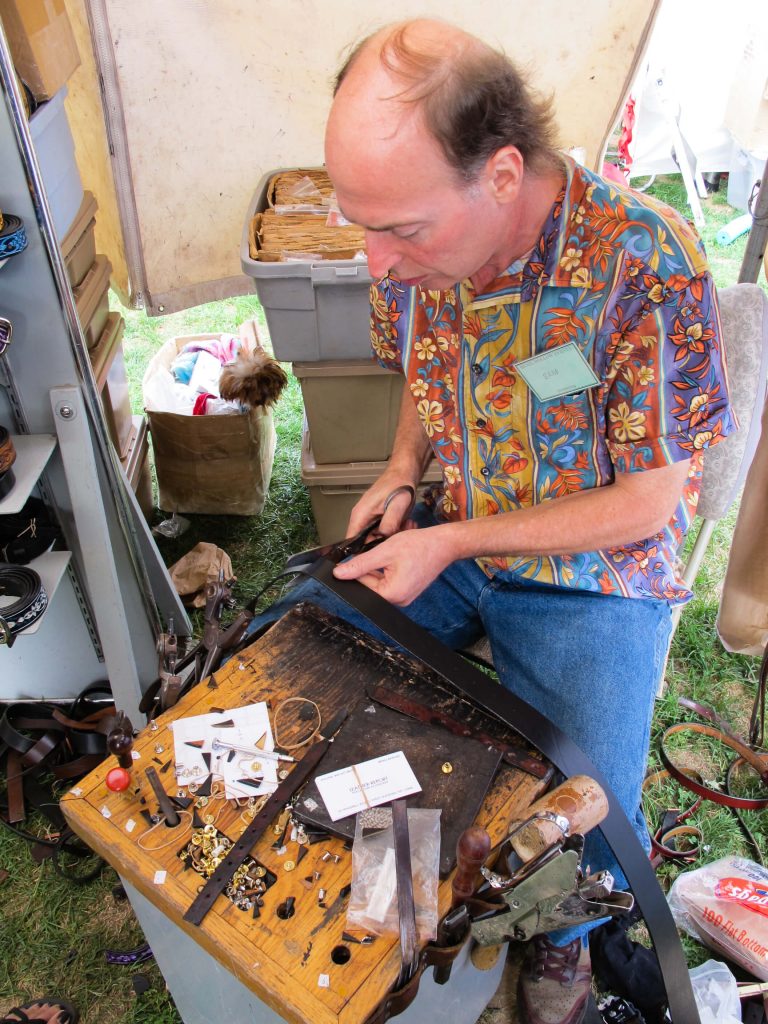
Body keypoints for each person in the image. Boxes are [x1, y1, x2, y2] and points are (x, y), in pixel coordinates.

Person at [251, 18, 735, 1024]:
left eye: (403, 231)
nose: (376, 264)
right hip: (457, 521)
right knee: (300, 643)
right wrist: (399, 470)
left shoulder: (641, 265)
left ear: (503, 175)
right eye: (362, 226)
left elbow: (652, 500)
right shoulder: (417, 256)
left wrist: (452, 540)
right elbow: (430, 375)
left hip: (597, 569)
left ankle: (562, 945)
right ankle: (360, 867)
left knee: (590, 805)